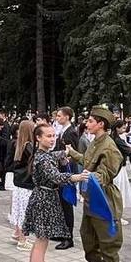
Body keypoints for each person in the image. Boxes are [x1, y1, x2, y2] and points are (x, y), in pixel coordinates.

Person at [22, 124, 89, 262]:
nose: (52, 139)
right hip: (44, 200)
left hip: (43, 197)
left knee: (39, 242)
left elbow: (55, 155)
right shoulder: (43, 159)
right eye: (48, 136)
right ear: (38, 138)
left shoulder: (43, 154)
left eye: (53, 136)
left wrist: (66, 152)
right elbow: (56, 176)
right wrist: (77, 177)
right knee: (41, 244)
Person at [65, 106, 124, 262]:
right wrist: (72, 154)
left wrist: (87, 177)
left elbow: (107, 174)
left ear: (101, 124)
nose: (87, 123)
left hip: (104, 201)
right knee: (90, 241)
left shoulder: (109, 147)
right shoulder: (94, 143)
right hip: (91, 198)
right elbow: (87, 161)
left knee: (108, 246)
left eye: (90, 121)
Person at [54, 107, 79, 249]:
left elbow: (73, 154)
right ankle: (62, 232)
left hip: (67, 171)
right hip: (61, 170)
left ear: (67, 117)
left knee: (66, 204)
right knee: (62, 204)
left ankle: (68, 237)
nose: (57, 118)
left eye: (59, 116)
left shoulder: (71, 132)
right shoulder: (63, 130)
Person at [9, 121, 35, 251]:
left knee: (18, 209)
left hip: (18, 182)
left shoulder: (18, 144)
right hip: (27, 182)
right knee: (25, 210)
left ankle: (17, 233)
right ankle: (23, 240)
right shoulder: (29, 146)